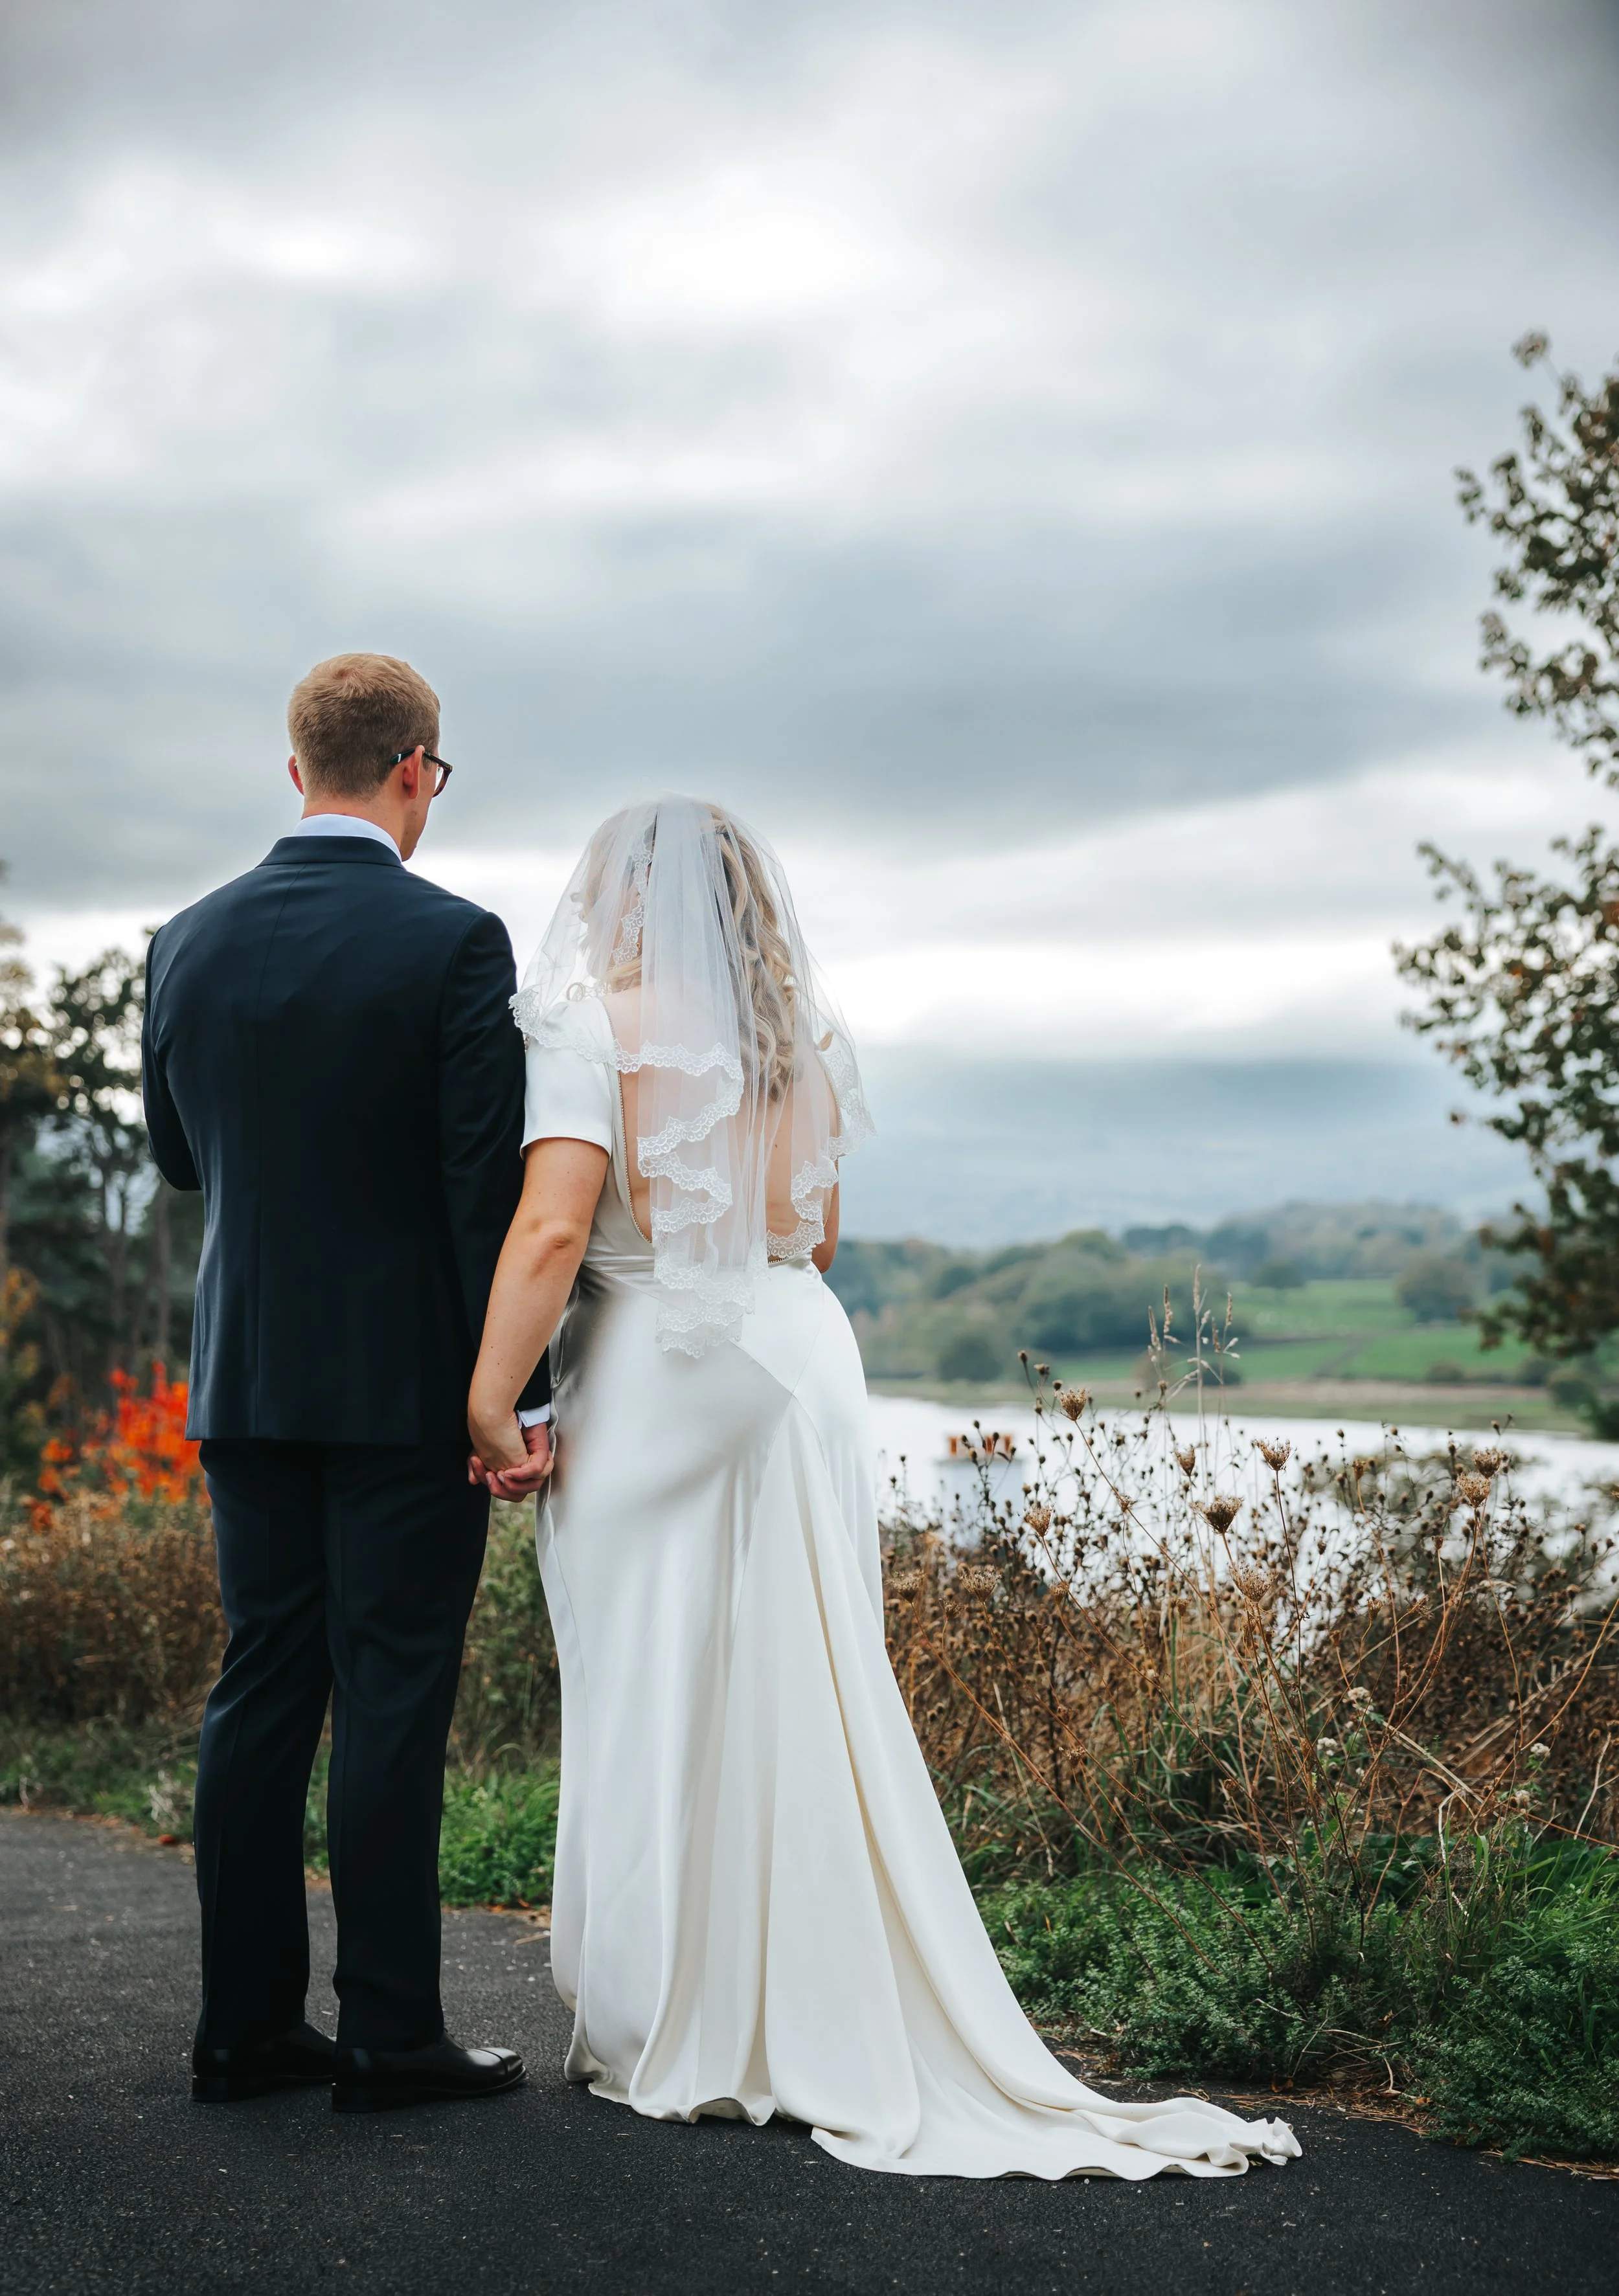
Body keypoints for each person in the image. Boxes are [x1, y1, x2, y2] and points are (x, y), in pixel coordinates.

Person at [467, 796, 1300, 2179]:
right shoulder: (795, 1029)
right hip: (798, 1354)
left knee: (658, 1672)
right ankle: (803, 1999)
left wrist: (493, 1398)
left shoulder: (584, 1023)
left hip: (664, 1372)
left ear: (621, 898)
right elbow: (820, 1231)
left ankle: (677, 2009)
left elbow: (555, 1222)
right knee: (802, 1674)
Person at [142, 653, 550, 2113]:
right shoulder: (453, 942)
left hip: (243, 1378)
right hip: (403, 1391)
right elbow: (474, 1196)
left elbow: (181, 1162)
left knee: (259, 1691)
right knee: (390, 1698)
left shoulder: (182, 942)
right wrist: (524, 1394)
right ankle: (388, 2032)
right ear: (416, 769)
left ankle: (244, 2029)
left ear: (292, 765)